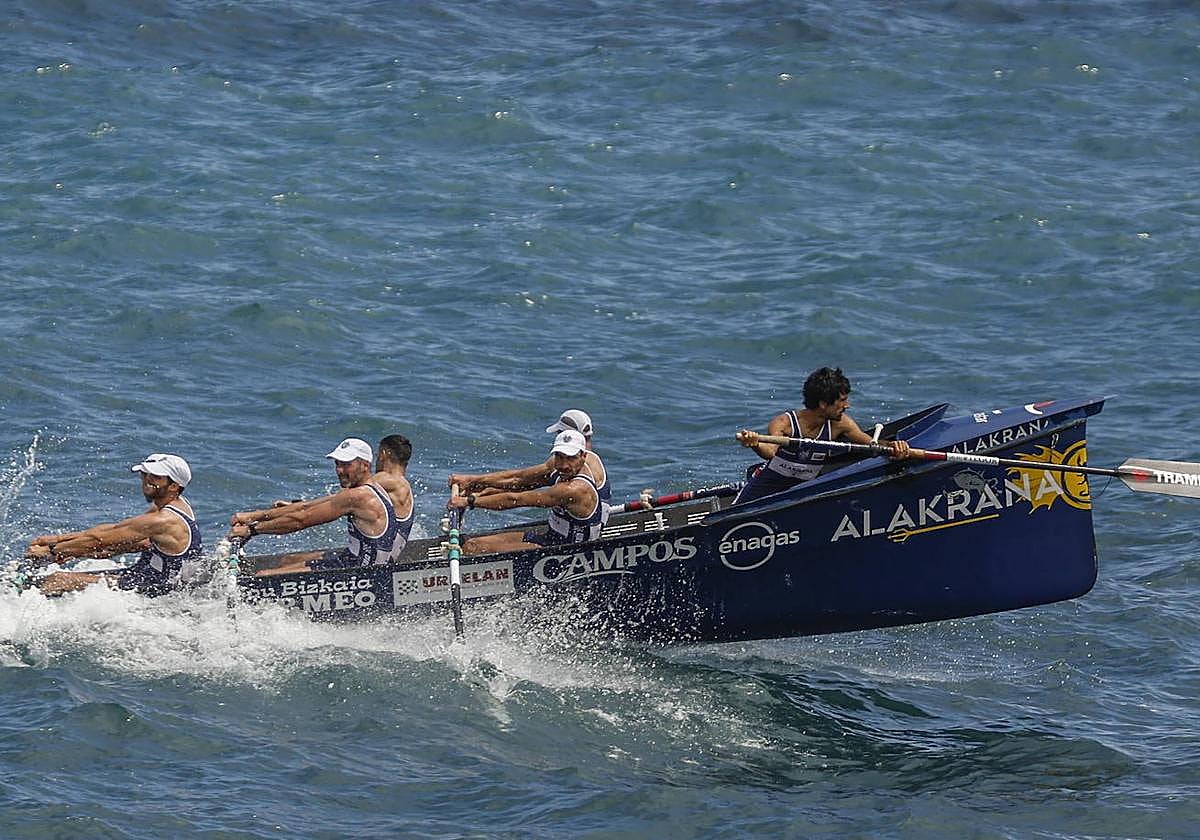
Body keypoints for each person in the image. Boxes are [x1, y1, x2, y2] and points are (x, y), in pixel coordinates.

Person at [229, 435, 414, 576]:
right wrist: (255, 515)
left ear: (365, 465)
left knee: (264, 576)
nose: (339, 470)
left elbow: (301, 520)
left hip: (362, 573)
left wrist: (253, 531)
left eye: (346, 465)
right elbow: (304, 508)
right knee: (288, 560)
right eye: (337, 464)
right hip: (354, 560)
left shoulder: (360, 495)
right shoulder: (367, 489)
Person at [25, 453, 203, 597]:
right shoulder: (174, 505)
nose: (146, 480)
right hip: (145, 574)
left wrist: (52, 551)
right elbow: (113, 531)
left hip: (157, 588)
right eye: (144, 473)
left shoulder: (163, 520)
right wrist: (58, 540)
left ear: (174, 486)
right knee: (103, 551)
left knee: (58, 580)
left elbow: (99, 539)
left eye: (156, 477)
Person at [734, 366, 910, 505]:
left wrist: (895, 448)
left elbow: (873, 446)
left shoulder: (841, 424)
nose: (847, 405)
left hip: (801, 493)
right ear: (824, 403)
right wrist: (755, 443)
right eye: (842, 400)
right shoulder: (784, 423)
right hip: (764, 489)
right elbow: (770, 452)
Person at [447, 429, 603, 555]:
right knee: (471, 544)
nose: (563, 465)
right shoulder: (561, 470)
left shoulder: (575, 489)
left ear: (583, 455)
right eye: (559, 457)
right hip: (550, 538)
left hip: (567, 553)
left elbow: (517, 499)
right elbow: (518, 479)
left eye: (570, 458)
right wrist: (473, 480)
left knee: (474, 549)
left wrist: (469, 501)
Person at [448, 407, 611, 510]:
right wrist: (479, 487)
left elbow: (519, 484)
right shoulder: (588, 458)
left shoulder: (573, 478)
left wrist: (471, 495)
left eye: (558, 434)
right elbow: (524, 483)